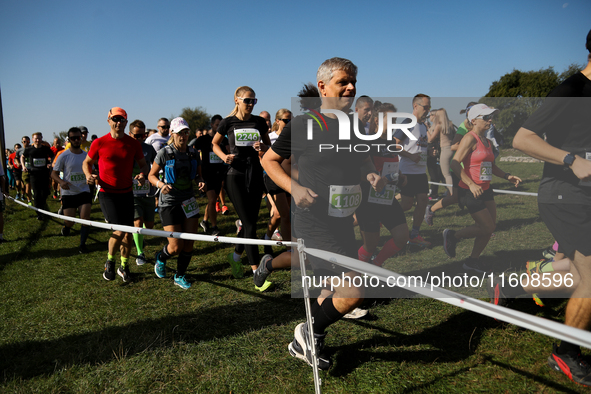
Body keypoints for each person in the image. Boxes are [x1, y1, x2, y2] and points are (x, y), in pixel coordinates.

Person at [261, 57, 385, 370]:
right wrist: (295, 189)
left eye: (353, 82)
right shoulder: (304, 125)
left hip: (342, 219)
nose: (351, 87)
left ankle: (307, 340)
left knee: (330, 288)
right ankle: (308, 332)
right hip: (313, 222)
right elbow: (269, 161)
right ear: (323, 87)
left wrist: (370, 175)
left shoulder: (354, 126)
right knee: (356, 289)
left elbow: (362, 160)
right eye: (343, 82)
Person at [510, 29, 591, 386]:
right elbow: (522, 138)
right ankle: (567, 352)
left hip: (585, 195)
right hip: (563, 194)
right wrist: (570, 159)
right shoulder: (571, 89)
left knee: (579, 272)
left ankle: (517, 284)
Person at [443, 104, 521, 272]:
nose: (490, 120)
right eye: (486, 117)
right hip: (470, 190)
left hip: (486, 189)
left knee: (490, 227)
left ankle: (472, 261)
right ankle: (453, 236)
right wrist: (471, 184)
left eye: (491, 117)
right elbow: (455, 164)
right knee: (487, 227)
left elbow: (491, 166)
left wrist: (507, 176)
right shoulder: (469, 138)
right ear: (474, 121)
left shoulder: (487, 141)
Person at [213, 86, 273, 291]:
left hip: (255, 174)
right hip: (235, 176)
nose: (250, 104)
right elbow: (214, 144)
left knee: (250, 223)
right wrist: (224, 157)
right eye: (247, 100)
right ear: (237, 100)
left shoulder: (258, 122)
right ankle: (257, 272)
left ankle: (235, 256)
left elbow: (269, 147)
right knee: (249, 224)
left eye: (253, 101)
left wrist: (262, 148)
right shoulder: (227, 122)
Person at [83, 107, 149, 282]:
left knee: (128, 233)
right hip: (107, 193)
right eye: (115, 119)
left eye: (121, 119)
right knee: (120, 230)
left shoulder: (133, 143)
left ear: (126, 122)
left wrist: (143, 175)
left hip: (127, 193)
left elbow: (144, 165)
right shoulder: (99, 143)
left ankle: (124, 266)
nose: (118, 122)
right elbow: (87, 162)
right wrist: (89, 176)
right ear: (109, 121)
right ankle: (110, 262)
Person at [149, 117, 205, 289]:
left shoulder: (193, 153)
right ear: (172, 133)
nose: (184, 135)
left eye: (186, 132)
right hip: (169, 203)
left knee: (189, 243)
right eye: (180, 132)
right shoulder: (164, 153)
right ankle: (161, 257)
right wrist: (160, 185)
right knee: (175, 247)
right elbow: (151, 175)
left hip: (188, 201)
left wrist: (200, 181)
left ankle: (180, 275)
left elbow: (199, 175)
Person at [424, 102, 476, 226]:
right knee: (449, 178)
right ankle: (450, 195)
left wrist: (426, 128)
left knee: (446, 174)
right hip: (452, 151)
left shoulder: (439, 125)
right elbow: (454, 140)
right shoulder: (451, 124)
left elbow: (430, 139)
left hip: (445, 151)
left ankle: (450, 193)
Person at [394, 94, 432, 248]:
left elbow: (419, 146)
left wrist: (430, 152)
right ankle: (383, 217)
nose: (428, 110)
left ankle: (415, 234)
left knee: (423, 201)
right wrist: (410, 156)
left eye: (429, 107)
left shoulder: (423, 126)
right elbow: (394, 145)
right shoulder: (408, 123)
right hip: (407, 171)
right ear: (415, 106)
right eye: (425, 107)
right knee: (407, 205)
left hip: (421, 172)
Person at [51, 127, 92, 253]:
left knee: (85, 219)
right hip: (69, 192)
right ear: (69, 140)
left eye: (78, 137)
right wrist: (61, 182)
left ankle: (82, 245)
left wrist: (92, 176)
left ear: (81, 138)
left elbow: (92, 170)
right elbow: (53, 174)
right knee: (70, 221)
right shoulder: (64, 156)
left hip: (84, 191)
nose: (76, 140)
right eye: (73, 138)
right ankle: (66, 226)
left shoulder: (87, 156)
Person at [128, 120, 157, 266]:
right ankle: (140, 253)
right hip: (131, 192)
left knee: (149, 225)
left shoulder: (149, 148)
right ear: (130, 134)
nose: (140, 138)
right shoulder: (124, 148)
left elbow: (156, 165)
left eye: (143, 135)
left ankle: (139, 236)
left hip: (147, 191)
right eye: (137, 136)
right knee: (137, 222)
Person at [194, 114, 227, 236]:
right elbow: (194, 150)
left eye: (221, 126)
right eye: (217, 125)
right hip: (206, 174)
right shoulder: (202, 140)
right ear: (212, 125)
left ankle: (204, 221)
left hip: (219, 174)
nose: (219, 128)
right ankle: (214, 228)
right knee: (213, 200)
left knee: (211, 201)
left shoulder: (225, 140)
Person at [21, 132, 54, 220]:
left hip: (44, 174)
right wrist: (23, 166)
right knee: (36, 194)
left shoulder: (46, 149)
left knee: (44, 193)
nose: (37, 140)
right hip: (34, 174)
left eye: (39, 138)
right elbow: (22, 157)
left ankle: (42, 208)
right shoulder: (29, 149)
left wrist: (51, 163)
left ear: (41, 138)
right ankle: (39, 213)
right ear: (33, 139)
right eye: (36, 139)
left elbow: (53, 156)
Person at [16, 136, 33, 204]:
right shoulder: (19, 150)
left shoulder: (32, 149)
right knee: (27, 186)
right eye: (25, 142)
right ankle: (29, 200)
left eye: (28, 141)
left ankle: (32, 196)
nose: (26, 143)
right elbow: (16, 158)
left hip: (33, 170)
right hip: (25, 170)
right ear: (22, 142)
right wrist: (18, 163)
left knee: (32, 185)